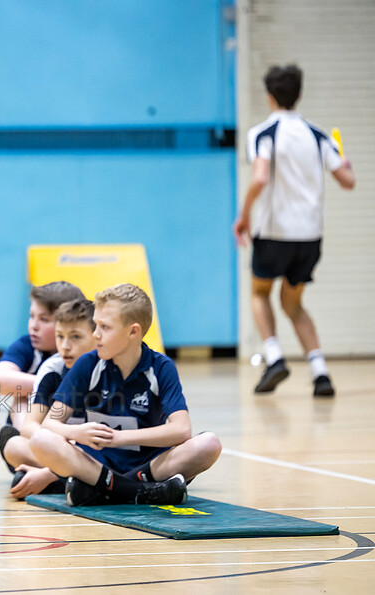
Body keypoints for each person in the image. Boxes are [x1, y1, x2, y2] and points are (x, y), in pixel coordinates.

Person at [29, 284, 221, 506]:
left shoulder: (161, 368)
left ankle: (103, 491)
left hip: (148, 465)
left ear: (133, 331)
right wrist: (77, 432)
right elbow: (50, 423)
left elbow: (181, 430)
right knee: (40, 440)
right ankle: (140, 492)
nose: (95, 334)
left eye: (104, 327)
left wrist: (120, 438)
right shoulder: (88, 364)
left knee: (209, 444)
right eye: (95, 325)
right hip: (95, 464)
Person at [233, 64, 355, 397]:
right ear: (299, 95)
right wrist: (345, 162)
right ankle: (320, 372)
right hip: (310, 238)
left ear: (269, 96)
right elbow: (348, 181)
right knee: (293, 304)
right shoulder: (319, 136)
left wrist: (243, 217)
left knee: (259, 293)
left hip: (274, 233)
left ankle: (274, 358)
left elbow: (259, 178)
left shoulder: (263, 133)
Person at [2, 298, 98, 499]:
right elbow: (30, 426)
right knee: (14, 447)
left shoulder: (105, 369)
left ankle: (56, 479)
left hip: (100, 453)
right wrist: (67, 440)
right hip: (66, 448)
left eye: (75, 337)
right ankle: (71, 479)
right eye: (60, 337)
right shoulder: (52, 369)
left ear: (97, 336)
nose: (65, 346)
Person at [0, 282, 85, 466]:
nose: (34, 326)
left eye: (44, 319)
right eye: (32, 316)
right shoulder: (28, 347)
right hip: (37, 435)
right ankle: (26, 442)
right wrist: (47, 385)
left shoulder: (85, 356)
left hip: (73, 435)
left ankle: (55, 469)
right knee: (22, 395)